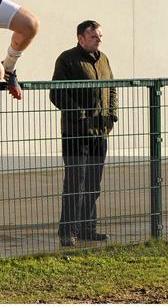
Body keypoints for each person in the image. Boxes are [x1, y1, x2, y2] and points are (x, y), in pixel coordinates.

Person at [50, 20, 118, 247]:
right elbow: (56, 94)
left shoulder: (104, 59)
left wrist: (112, 115)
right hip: (76, 134)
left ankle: (88, 228)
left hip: (100, 132)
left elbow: (112, 88)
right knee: (74, 183)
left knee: (92, 183)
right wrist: (80, 116)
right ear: (80, 38)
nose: (99, 40)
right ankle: (67, 231)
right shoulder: (67, 59)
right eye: (94, 37)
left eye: (100, 36)